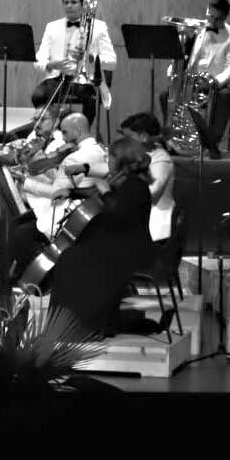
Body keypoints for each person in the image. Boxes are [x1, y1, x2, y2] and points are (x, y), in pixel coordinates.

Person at [49, 138, 154, 337]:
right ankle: (69, 326)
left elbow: (119, 213)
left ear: (122, 159)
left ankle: (83, 326)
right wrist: (71, 192)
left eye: (111, 157)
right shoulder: (125, 181)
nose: (108, 160)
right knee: (71, 257)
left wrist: (106, 193)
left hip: (130, 249)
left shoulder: (136, 186)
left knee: (73, 260)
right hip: (119, 243)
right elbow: (95, 195)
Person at [32, 0, 117, 126]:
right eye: (66, 2)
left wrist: (89, 58)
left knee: (90, 99)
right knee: (38, 95)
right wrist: (52, 64)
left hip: (87, 80)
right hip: (59, 77)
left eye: (73, 2)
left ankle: (81, 132)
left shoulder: (99, 27)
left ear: (83, 5)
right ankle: (54, 128)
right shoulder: (52, 27)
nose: (69, 6)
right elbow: (38, 60)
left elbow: (112, 61)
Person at [19, 113, 108, 239]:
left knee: (18, 231)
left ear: (78, 131)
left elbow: (56, 192)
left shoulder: (73, 158)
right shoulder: (100, 150)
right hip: (87, 212)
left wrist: (25, 182)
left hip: (64, 218)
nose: (63, 139)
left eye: (65, 133)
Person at [162, 0, 230, 157]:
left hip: (214, 83)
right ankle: (173, 139)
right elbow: (182, 54)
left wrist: (214, 82)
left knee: (225, 97)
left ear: (225, 17)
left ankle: (212, 143)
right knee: (165, 96)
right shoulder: (197, 28)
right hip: (192, 80)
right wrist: (174, 71)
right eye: (210, 15)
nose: (211, 21)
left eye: (217, 18)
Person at [119, 112, 175, 243]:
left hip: (155, 230)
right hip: (139, 222)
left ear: (143, 137)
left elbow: (151, 194)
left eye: (129, 137)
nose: (124, 142)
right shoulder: (138, 156)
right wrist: (85, 168)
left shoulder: (161, 160)